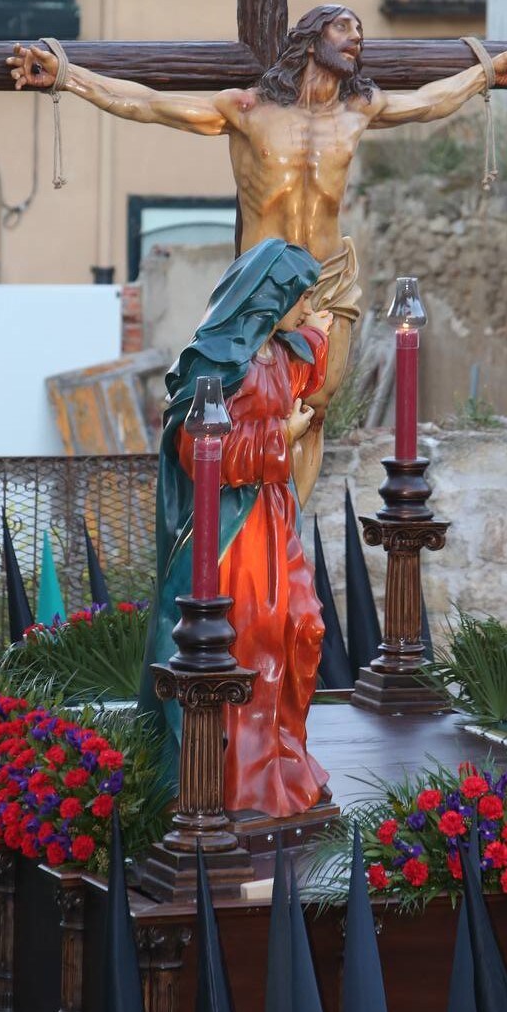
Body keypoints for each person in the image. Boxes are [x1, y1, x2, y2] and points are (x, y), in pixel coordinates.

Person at [7, 7, 507, 502]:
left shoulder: (360, 110)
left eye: (360, 30)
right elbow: (147, 104)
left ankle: (289, 527)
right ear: (311, 41)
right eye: (343, 27)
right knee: (244, 411)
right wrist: (66, 76)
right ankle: (239, 533)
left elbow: (430, 101)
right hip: (263, 284)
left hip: (330, 277)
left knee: (313, 410)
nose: (357, 37)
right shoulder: (247, 109)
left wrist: (486, 72)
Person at [145, 237, 332, 818]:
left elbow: (309, 366)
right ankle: (239, 781)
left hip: (274, 518)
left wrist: (325, 328)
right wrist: (286, 438)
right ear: (269, 300)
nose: (306, 309)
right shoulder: (216, 360)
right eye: (299, 298)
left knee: (302, 627)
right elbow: (201, 449)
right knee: (252, 642)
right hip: (231, 529)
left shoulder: (280, 348)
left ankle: (282, 759)